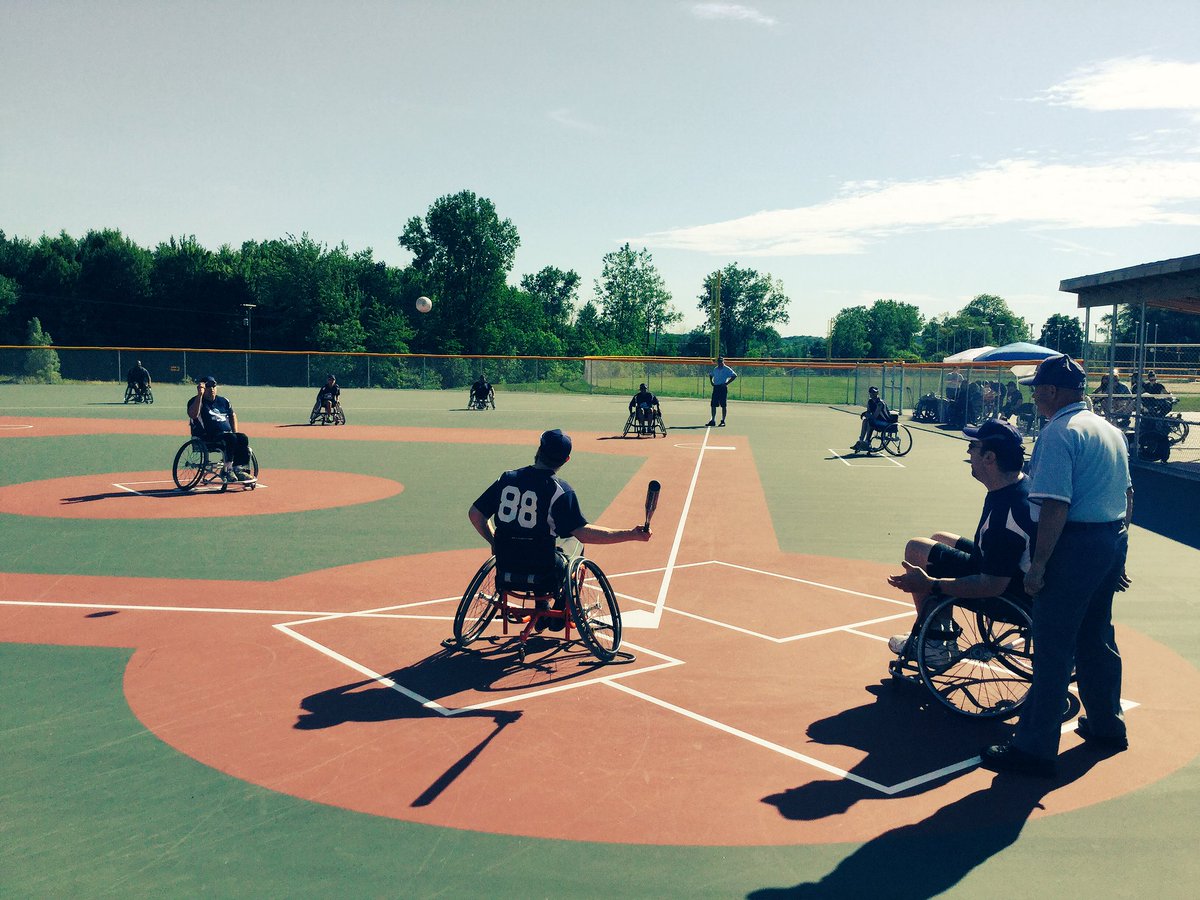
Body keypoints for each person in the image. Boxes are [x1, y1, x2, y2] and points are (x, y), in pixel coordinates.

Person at [980, 354, 1133, 778]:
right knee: (1097, 637)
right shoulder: (1110, 431)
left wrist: (1039, 564)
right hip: (1109, 537)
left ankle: (1033, 748)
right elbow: (1128, 494)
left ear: (1050, 392)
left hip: (1075, 544)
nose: (1034, 396)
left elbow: (1055, 506)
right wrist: (1119, 551)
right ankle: (1107, 725)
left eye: (1037, 389)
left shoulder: (1058, 434)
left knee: (1053, 648)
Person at [885, 419, 1036, 666]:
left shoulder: (1006, 517)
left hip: (1006, 594)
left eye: (972, 446)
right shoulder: (1020, 485)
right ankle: (940, 633)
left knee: (916, 548)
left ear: (989, 458)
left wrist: (931, 583)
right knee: (939, 538)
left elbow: (991, 586)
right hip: (1010, 570)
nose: (968, 451)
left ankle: (935, 644)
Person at [468, 429, 651, 631]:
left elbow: (476, 515)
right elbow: (583, 533)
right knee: (575, 544)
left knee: (536, 546)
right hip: (543, 570)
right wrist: (631, 534)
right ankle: (559, 609)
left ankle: (541, 604)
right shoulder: (560, 490)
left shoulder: (507, 479)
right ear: (566, 459)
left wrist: (494, 542)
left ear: (539, 450)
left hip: (506, 565)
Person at [187, 376, 254, 482]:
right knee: (231, 438)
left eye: (213, 385)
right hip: (207, 437)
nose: (212, 389)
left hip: (226, 435)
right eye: (208, 386)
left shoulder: (224, 401)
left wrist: (234, 432)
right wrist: (200, 395)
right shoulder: (195, 401)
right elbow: (193, 415)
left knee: (242, 437)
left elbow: (232, 415)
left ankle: (239, 469)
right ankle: (228, 470)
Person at [851, 386, 891, 452]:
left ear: (877, 393)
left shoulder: (880, 403)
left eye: (875, 393)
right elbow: (868, 412)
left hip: (885, 422)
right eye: (872, 393)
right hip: (877, 421)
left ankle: (867, 442)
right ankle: (861, 441)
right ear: (869, 393)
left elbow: (874, 416)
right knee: (865, 421)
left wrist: (867, 415)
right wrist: (865, 414)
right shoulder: (870, 402)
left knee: (870, 421)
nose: (873, 394)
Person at [707, 356, 737, 427]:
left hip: (722, 387)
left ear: (723, 361)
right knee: (713, 404)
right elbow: (711, 375)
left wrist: (726, 383)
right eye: (719, 361)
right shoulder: (716, 369)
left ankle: (723, 420)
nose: (720, 363)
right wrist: (711, 381)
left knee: (723, 405)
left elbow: (734, 375)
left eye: (721, 361)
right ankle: (713, 420)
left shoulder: (726, 369)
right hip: (716, 387)